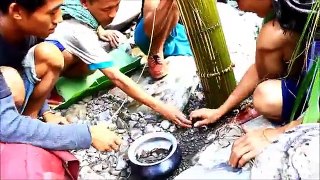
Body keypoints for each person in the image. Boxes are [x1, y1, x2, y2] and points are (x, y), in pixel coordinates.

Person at [46, 0, 192, 128]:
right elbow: (116, 77)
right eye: (106, 9)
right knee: (63, 59)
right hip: (44, 63)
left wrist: (99, 30)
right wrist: (163, 108)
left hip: (67, 45)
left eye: (116, 6)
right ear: (84, 3)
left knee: (86, 67)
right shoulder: (80, 34)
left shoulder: (77, 8)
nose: (112, 14)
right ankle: (44, 103)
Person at [0, 0, 121, 152]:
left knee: (50, 55)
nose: (59, 18)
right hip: (4, 114)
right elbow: (5, 125)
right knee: (11, 80)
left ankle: (30, 119)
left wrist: (45, 112)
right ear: (17, 11)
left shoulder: (28, 28)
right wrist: (87, 135)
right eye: (52, 12)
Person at [190, 0, 310, 127]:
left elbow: (262, 72)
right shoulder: (282, 17)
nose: (240, 7)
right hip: (305, 83)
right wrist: (219, 111)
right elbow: (259, 69)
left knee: (265, 97)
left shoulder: (276, 31)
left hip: (313, 96)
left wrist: (280, 132)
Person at [134, 0, 192, 79]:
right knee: (172, 3)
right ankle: (155, 53)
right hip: (148, 34)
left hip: (174, 34)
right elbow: (150, 13)